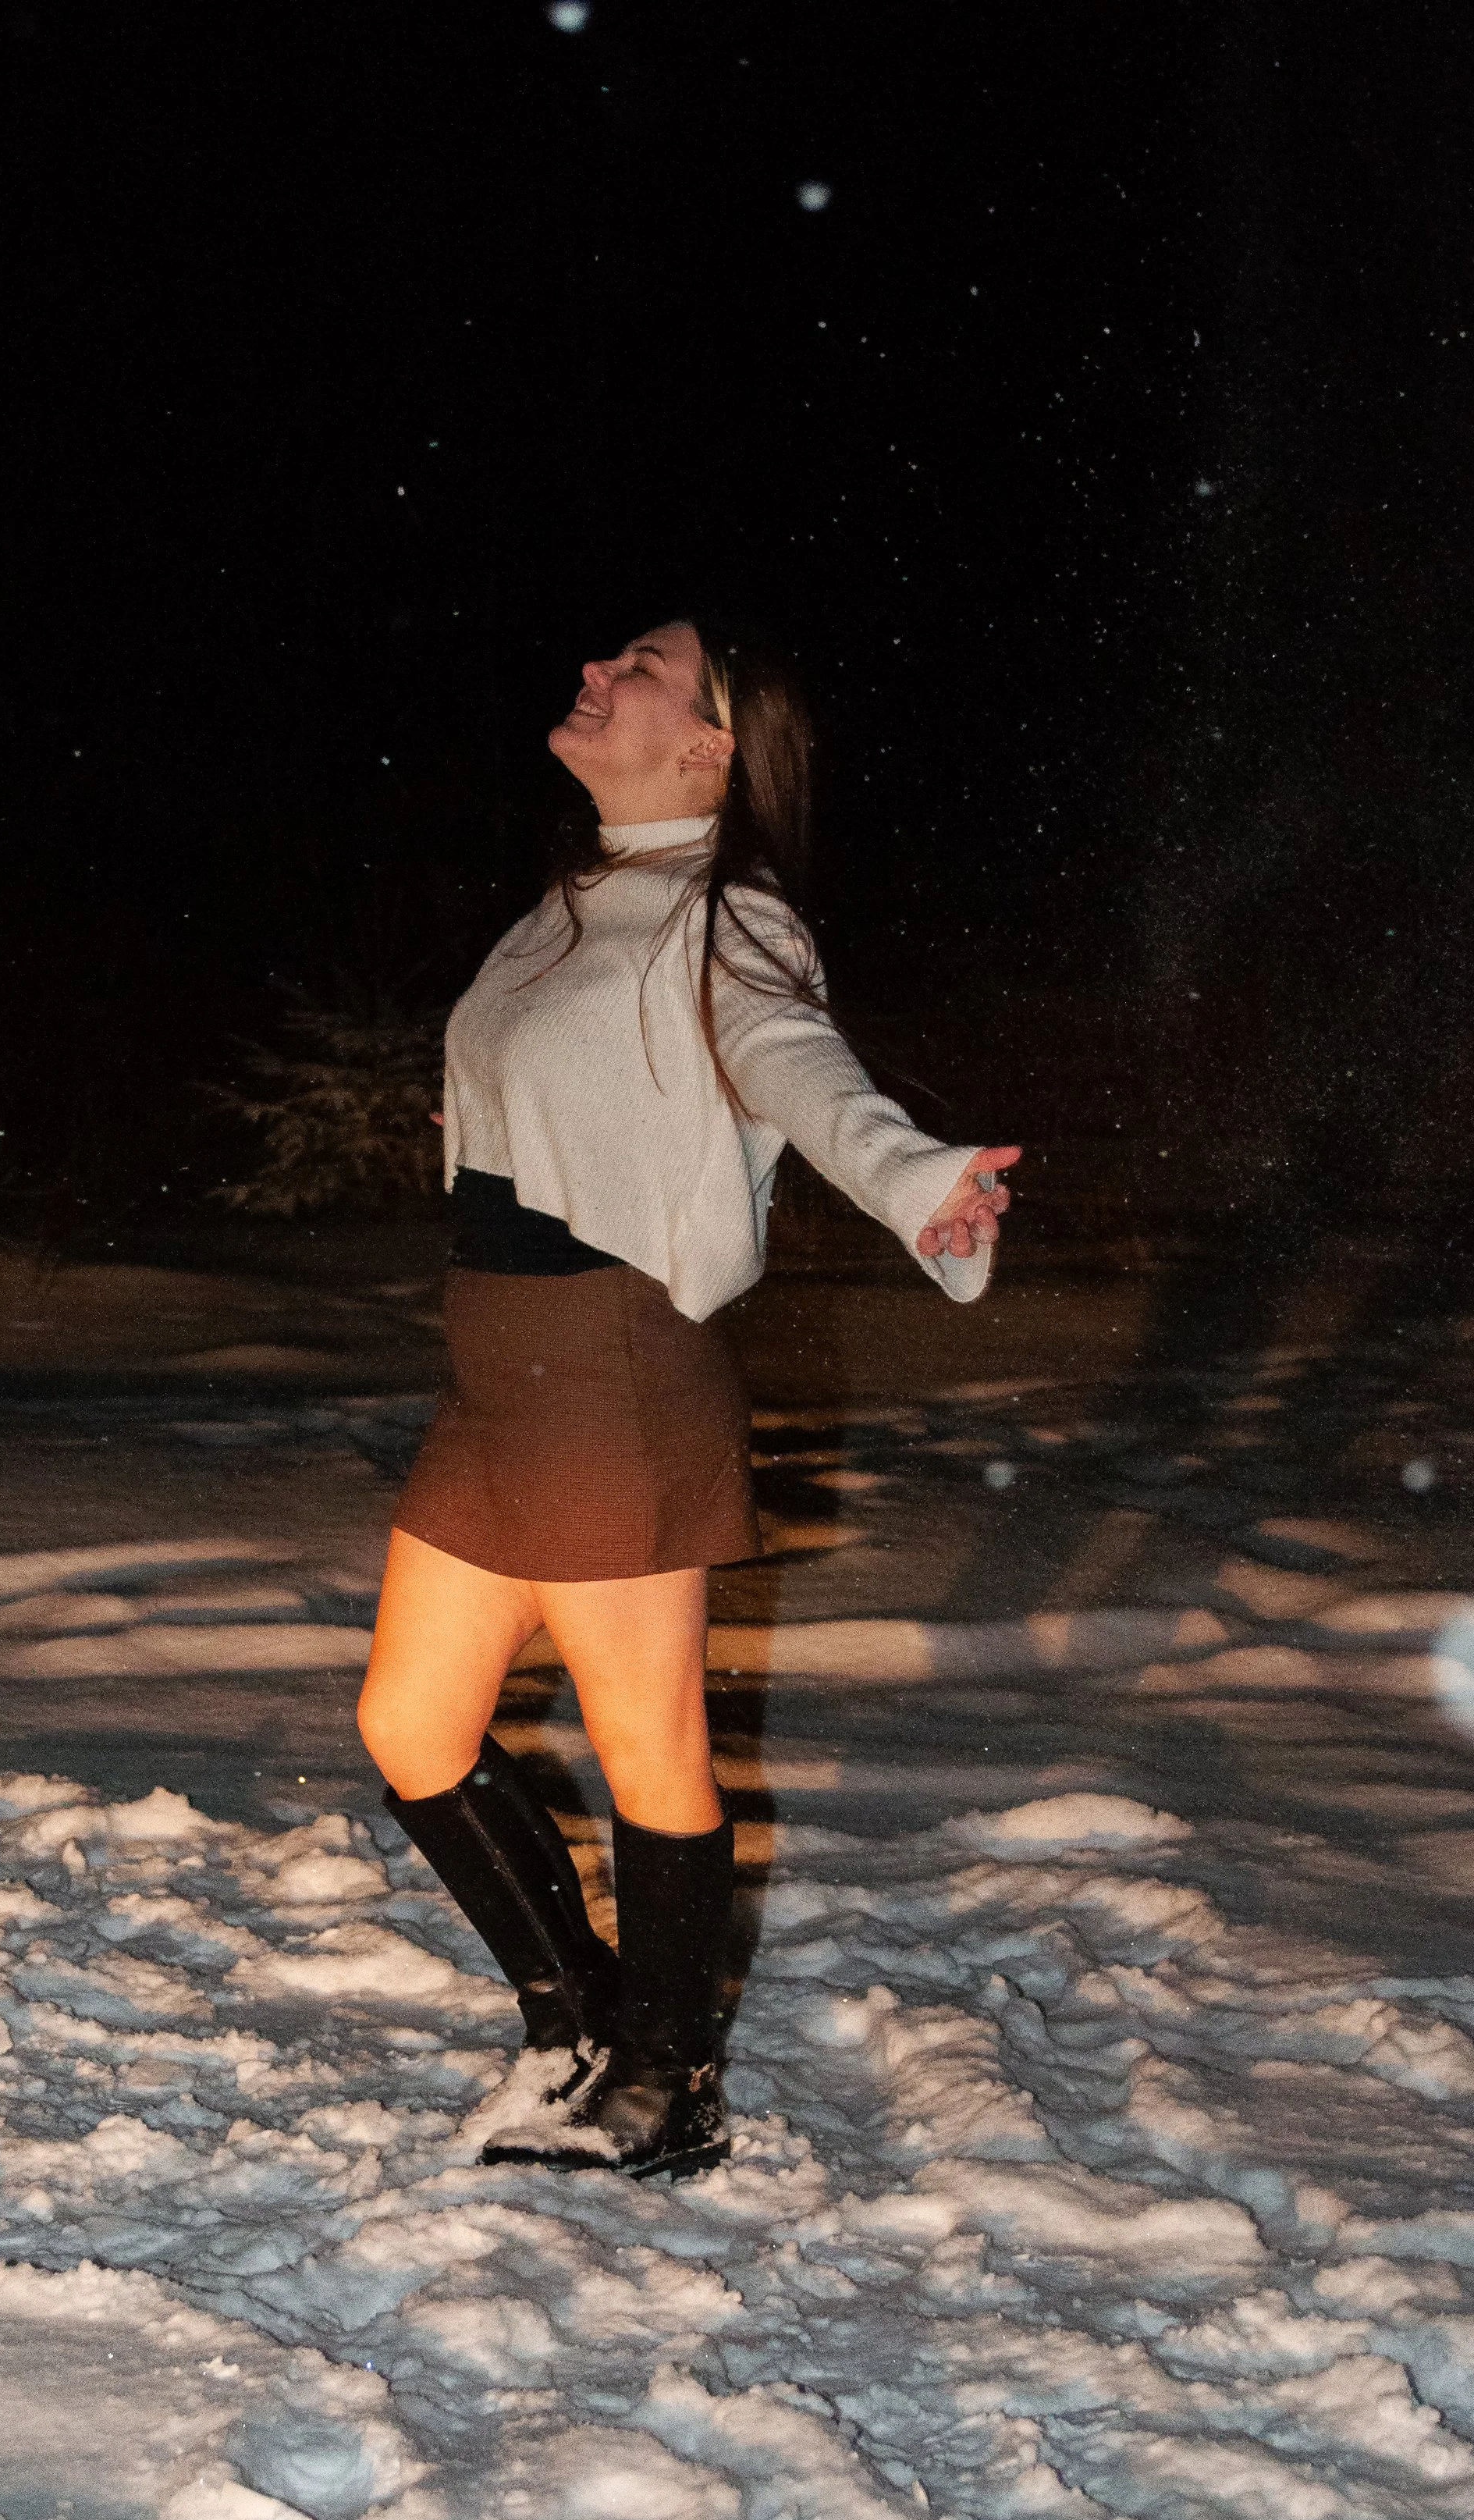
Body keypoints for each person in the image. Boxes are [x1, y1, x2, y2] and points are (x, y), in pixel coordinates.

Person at [357, 619, 1018, 2181]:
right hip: (498, 1373)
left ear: (713, 744)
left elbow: (798, 1068)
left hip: (614, 1369)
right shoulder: (569, 905)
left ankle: (666, 2081)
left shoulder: (732, 917)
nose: (597, 671)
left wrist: (913, 1179)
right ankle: (575, 2019)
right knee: (409, 1721)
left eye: (641, 666)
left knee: (647, 1739)